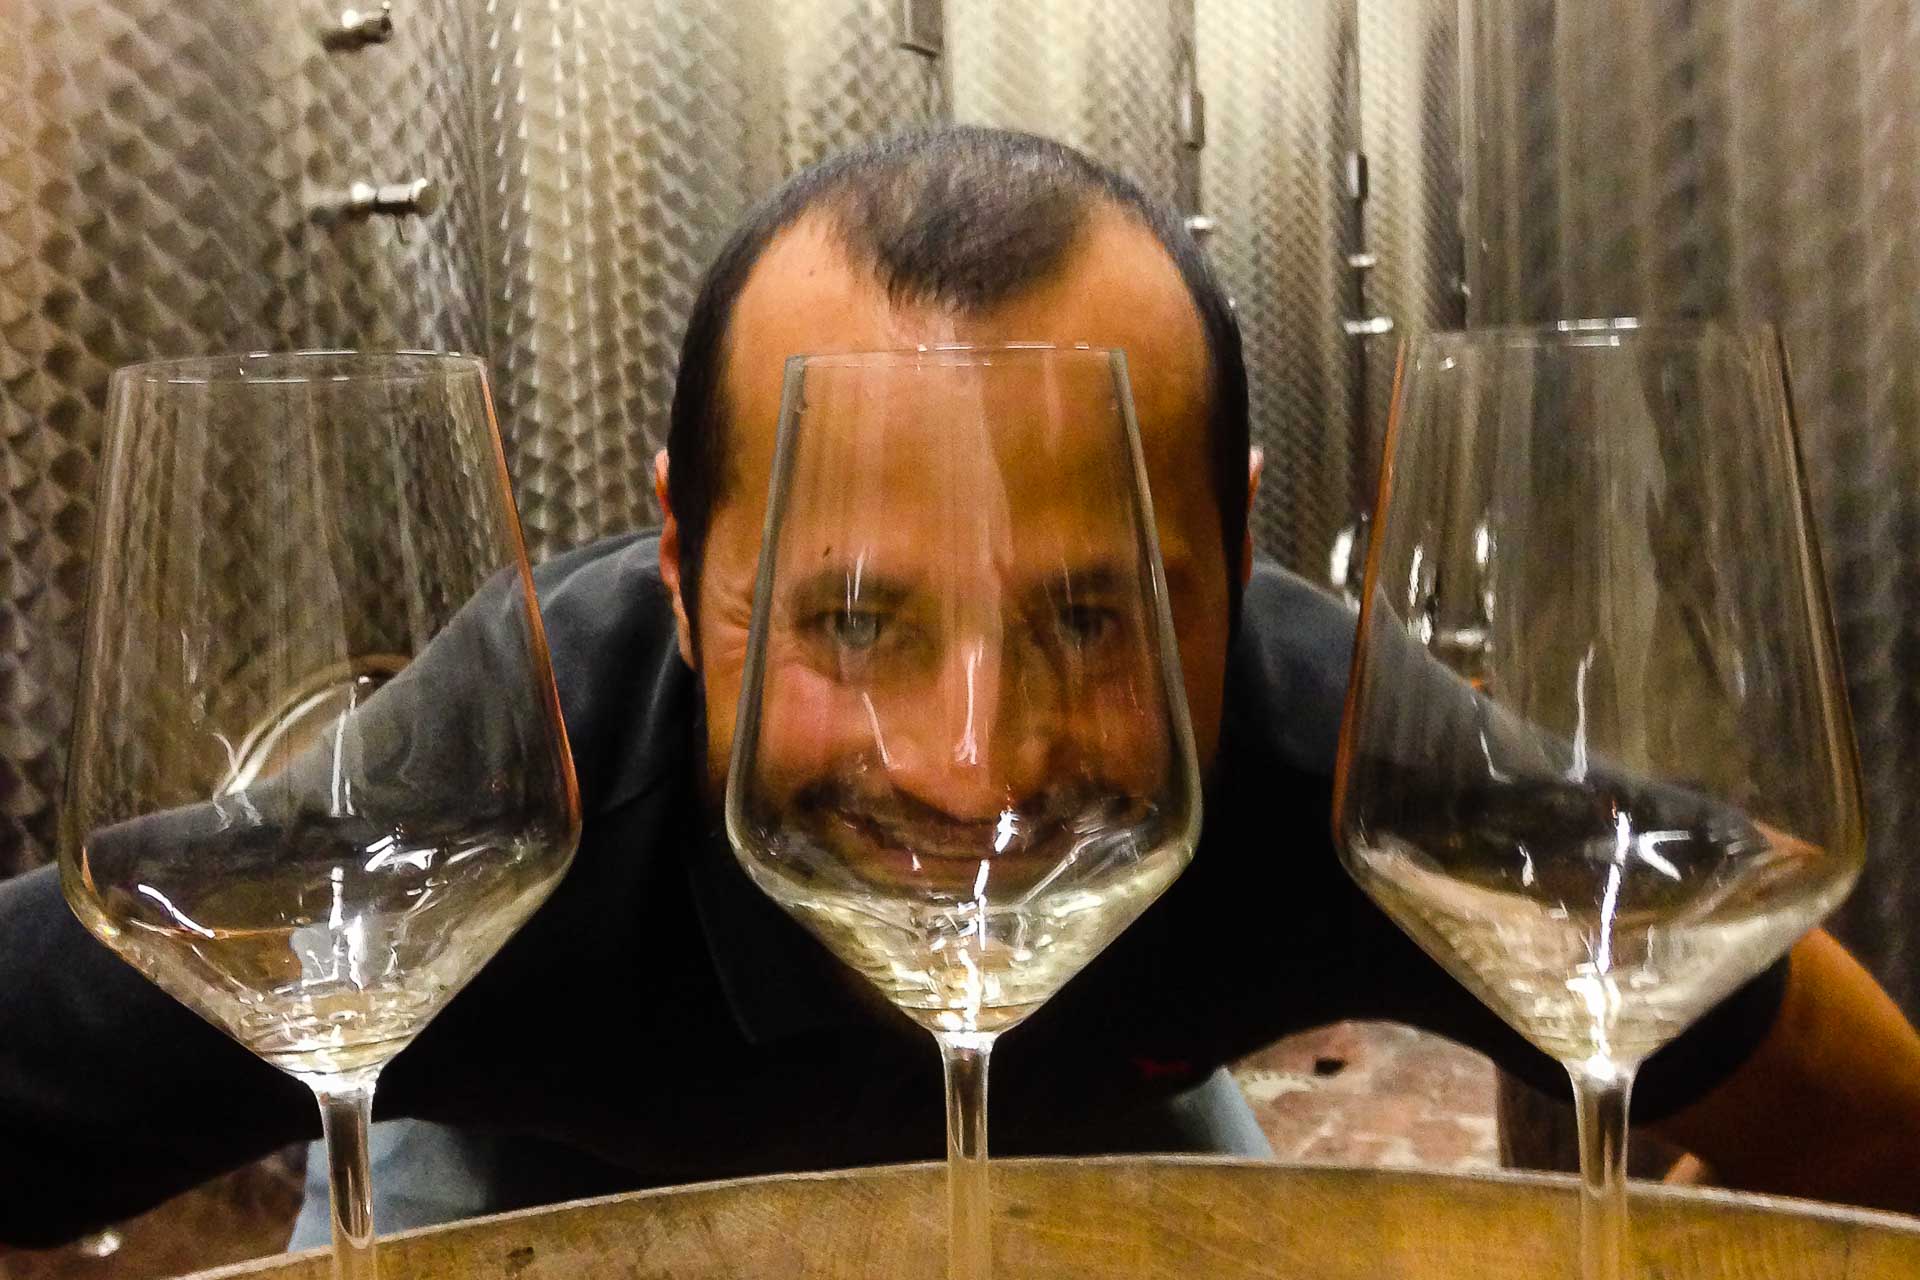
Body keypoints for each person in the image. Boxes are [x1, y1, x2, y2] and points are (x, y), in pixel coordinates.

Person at [3, 127, 1919, 1251]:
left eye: (1095, 617)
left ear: (1231, 552)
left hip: (1102, 1123)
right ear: (678, 565)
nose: (978, 765)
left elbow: (1759, 1004)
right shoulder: (495, 796)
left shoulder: (1318, 735)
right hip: (528, 1176)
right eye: (847, 622)